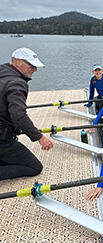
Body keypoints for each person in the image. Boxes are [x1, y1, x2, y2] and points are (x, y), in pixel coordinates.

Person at [0, 48, 53, 181]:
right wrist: (40, 137)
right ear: (17, 62)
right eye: (32, 65)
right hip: (2, 140)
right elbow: (18, 116)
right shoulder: (17, 83)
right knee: (34, 167)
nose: (35, 69)